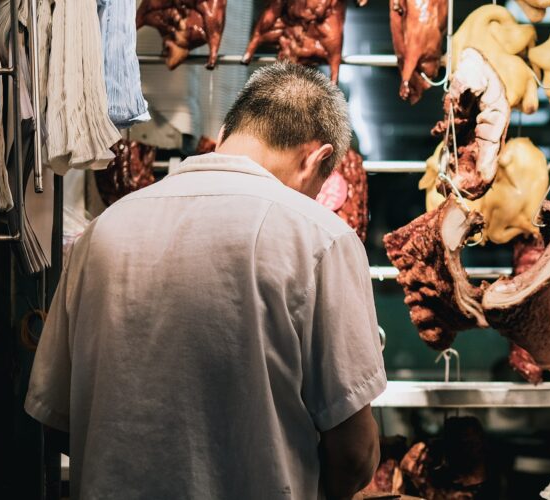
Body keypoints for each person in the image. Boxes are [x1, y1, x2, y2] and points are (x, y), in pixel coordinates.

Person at [26, 63, 386, 499]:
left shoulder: (104, 231)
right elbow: (354, 454)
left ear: (227, 131)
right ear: (317, 158)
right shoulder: (320, 237)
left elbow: (54, 418)